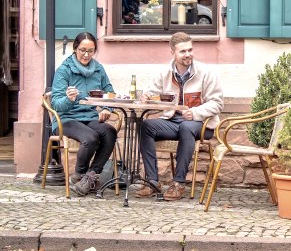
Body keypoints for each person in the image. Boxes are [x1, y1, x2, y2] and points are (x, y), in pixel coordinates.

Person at [136, 32, 224, 201]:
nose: (188, 54)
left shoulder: (206, 72)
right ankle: (152, 181)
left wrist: (196, 112)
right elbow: (155, 96)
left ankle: (179, 183)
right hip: (173, 121)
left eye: (190, 50)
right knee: (146, 126)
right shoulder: (164, 73)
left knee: (186, 127)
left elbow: (217, 103)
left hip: (201, 124)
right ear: (173, 53)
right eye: (183, 51)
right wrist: (147, 98)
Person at [50, 32, 117, 196]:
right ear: (75, 49)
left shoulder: (98, 68)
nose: (86, 55)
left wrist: (107, 109)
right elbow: (55, 103)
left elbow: (110, 93)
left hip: (90, 117)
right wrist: (68, 99)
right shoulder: (64, 70)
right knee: (91, 137)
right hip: (66, 119)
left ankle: (90, 176)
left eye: (90, 51)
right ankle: (79, 174)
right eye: (82, 50)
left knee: (109, 132)